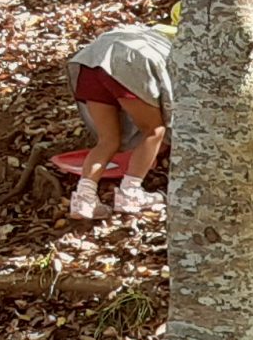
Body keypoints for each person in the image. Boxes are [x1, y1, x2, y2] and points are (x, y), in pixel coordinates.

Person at [64, 13, 174, 221]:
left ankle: (84, 198)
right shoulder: (174, 43)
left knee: (108, 139)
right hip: (129, 60)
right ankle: (131, 193)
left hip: (90, 60)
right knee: (154, 130)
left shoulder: (147, 29)